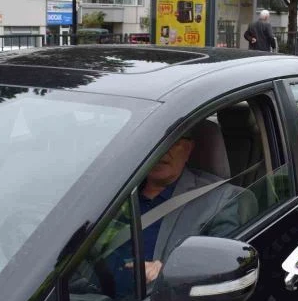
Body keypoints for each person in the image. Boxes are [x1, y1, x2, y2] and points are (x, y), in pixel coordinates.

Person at [107, 120, 257, 286]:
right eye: (154, 143)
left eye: (173, 142)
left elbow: (223, 266)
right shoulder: (115, 191)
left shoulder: (219, 200)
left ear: (188, 148)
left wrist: (168, 272)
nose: (162, 151)